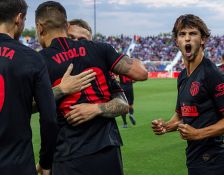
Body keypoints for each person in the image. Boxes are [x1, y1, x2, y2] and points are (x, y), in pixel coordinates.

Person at [35, 1, 147, 175]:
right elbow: (141, 73)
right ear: (66, 25)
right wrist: (62, 89)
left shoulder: (39, 61)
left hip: (68, 153)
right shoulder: (100, 51)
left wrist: (95, 108)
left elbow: (26, 106)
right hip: (107, 150)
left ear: (40, 27)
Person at [151, 14, 224, 175]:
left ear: (203, 39)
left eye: (193, 33)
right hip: (193, 155)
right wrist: (166, 126)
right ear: (177, 41)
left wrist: (198, 133)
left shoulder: (214, 74)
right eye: (182, 34)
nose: (187, 39)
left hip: (211, 158)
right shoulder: (183, 76)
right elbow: (181, 115)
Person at [0, 0, 58, 175]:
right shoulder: (31, 58)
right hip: (16, 164)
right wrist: (46, 161)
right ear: (19, 18)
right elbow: (49, 118)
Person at [67, 19, 133, 128]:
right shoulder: (53, 66)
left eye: (82, 39)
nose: (77, 43)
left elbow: (123, 105)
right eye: (71, 38)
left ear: (91, 42)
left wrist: (96, 109)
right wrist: (60, 90)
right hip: (65, 141)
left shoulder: (102, 69)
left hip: (104, 140)